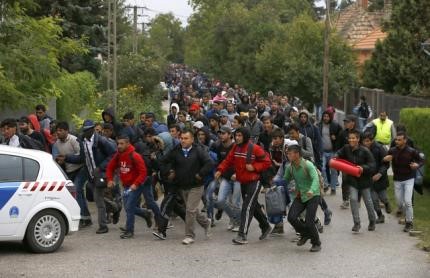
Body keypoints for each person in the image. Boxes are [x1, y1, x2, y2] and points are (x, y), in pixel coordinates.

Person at [215, 127, 272, 245]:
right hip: (243, 182)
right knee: (253, 206)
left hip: (254, 182)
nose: (237, 138)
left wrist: (254, 167)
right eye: (236, 135)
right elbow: (228, 160)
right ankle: (265, 226)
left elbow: (267, 162)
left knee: (246, 207)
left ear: (245, 136)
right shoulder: (236, 147)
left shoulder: (254, 148)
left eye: (240, 135)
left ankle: (242, 235)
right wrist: (220, 170)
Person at [64, 120, 117, 234]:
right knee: (96, 197)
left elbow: (114, 154)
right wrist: (67, 158)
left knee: (98, 200)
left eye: (88, 130)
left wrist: (101, 167)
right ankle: (114, 207)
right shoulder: (83, 141)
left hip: (100, 173)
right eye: (84, 130)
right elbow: (82, 158)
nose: (86, 132)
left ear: (93, 129)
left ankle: (103, 226)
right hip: (91, 175)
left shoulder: (101, 141)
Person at [161, 129, 214, 245]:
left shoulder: (198, 151)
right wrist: (170, 171)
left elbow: (209, 163)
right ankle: (206, 223)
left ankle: (189, 235)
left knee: (190, 210)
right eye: (181, 138)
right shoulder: (176, 151)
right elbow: (164, 161)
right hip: (183, 185)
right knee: (192, 210)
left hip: (196, 185)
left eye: (186, 138)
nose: (183, 141)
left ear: (192, 139)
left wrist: (200, 174)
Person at [106, 135, 152, 239]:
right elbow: (110, 167)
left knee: (130, 207)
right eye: (118, 144)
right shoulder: (118, 155)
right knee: (128, 208)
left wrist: (135, 184)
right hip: (126, 185)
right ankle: (145, 214)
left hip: (136, 185)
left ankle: (129, 230)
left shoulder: (135, 156)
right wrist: (109, 179)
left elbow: (143, 172)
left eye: (122, 144)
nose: (119, 146)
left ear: (128, 143)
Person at [335, 130, 377, 233]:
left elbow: (372, 165)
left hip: (364, 180)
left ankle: (372, 220)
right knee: (353, 199)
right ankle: (356, 223)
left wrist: (363, 168)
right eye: (350, 138)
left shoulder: (365, 151)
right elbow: (338, 153)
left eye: (353, 138)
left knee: (368, 201)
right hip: (352, 180)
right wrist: (336, 156)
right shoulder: (346, 148)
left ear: (358, 139)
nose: (351, 140)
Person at [284, 144, 322, 252]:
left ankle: (316, 243)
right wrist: (274, 184)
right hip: (301, 195)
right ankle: (305, 234)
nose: (287, 155)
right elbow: (285, 179)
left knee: (309, 221)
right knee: (291, 217)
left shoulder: (308, 165)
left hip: (313, 195)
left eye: (289, 153)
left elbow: (315, 179)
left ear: (297, 154)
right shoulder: (290, 167)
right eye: (287, 153)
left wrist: (311, 190)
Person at [53, 121, 92, 227]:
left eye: (61, 131)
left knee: (77, 189)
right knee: (74, 193)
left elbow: (81, 157)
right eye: (57, 131)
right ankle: (86, 217)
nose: (58, 133)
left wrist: (66, 158)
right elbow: (62, 157)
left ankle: (83, 217)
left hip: (80, 169)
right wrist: (60, 160)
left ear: (67, 131)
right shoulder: (57, 143)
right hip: (69, 171)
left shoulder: (74, 140)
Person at [384, 132, 424, 232]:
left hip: (409, 179)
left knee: (408, 202)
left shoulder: (411, 151)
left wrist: (417, 165)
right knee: (399, 202)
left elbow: (421, 161)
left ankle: (409, 222)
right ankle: (401, 210)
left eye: (399, 140)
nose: (397, 141)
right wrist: (385, 159)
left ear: (405, 140)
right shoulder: (392, 151)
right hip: (397, 180)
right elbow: (384, 160)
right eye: (396, 139)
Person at [207, 126, 241, 231]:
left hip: (237, 178)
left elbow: (241, 163)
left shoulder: (236, 147)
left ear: (230, 135)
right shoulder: (218, 146)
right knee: (221, 201)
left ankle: (238, 223)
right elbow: (220, 162)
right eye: (220, 133)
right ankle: (233, 218)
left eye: (223, 133)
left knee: (235, 202)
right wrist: (219, 172)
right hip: (225, 178)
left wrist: (237, 173)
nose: (221, 135)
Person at [361, 132, 391, 224]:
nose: (365, 143)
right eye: (364, 142)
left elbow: (386, 164)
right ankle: (380, 216)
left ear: (372, 140)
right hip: (369, 179)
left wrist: (380, 174)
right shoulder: (361, 150)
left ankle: (386, 203)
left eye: (367, 141)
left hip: (380, 177)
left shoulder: (380, 148)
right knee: (373, 200)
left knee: (383, 197)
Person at [317, 111, 343, 195]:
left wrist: (336, 137)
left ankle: (333, 188)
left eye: (327, 116)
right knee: (323, 168)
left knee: (333, 170)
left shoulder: (335, 125)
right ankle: (326, 184)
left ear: (330, 117)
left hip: (332, 151)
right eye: (324, 116)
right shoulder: (319, 125)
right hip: (323, 151)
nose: (325, 118)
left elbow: (342, 133)